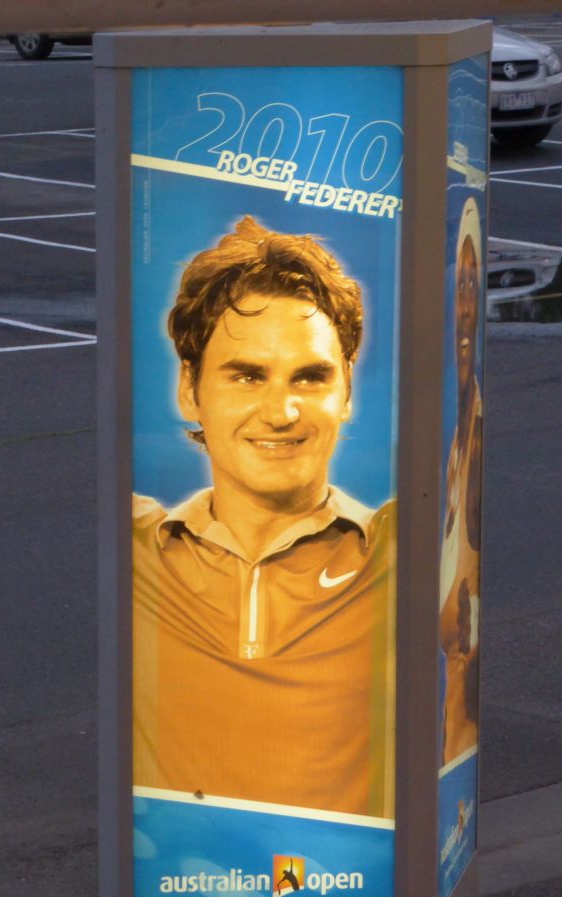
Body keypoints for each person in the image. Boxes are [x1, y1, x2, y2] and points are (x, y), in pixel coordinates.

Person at [132, 215, 395, 818]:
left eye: (311, 376)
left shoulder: (399, 550)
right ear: (189, 390)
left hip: (346, 883)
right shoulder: (137, 548)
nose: (281, 411)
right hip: (185, 896)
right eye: (247, 376)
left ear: (346, 391)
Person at [439, 198, 483, 766]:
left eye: (475, 283)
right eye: (461, 288)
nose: (468, 307)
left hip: (453, 748)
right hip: (445, 748)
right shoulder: (455, 442)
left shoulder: (473, 428)